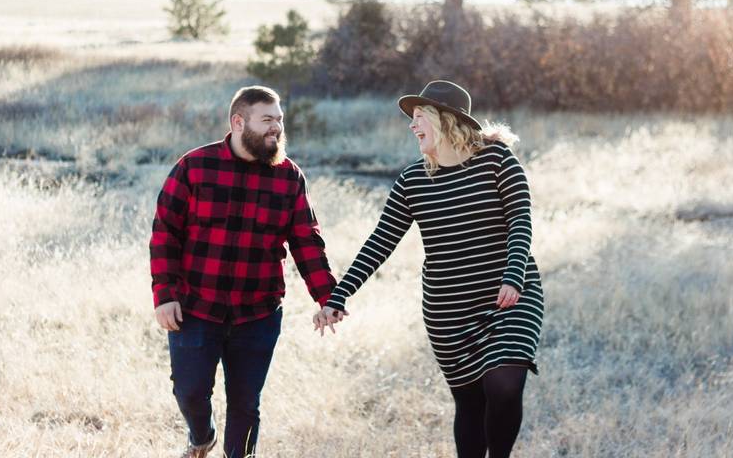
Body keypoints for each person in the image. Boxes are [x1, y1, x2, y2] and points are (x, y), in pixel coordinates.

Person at [318, 80, 544, 458]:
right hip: (448, 310)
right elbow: (380, 242)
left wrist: (514, 274)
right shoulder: (413, 180)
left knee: (504, 387)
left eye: (419, 116)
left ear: (447, 120)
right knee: (470, 404)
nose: (412, 125)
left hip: (509, 295)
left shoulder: (497, 161)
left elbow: (521, 220)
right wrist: (338, 295)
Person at [150, 85, 339, 458]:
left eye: (280, 121)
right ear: (238, 122)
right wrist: (165, 295)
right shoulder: (195, 167)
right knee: (188, 390)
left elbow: (306, 241)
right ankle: (201, 436)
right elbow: (164, 234)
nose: (277, 129)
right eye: (267, 120)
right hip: (196, 308)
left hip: (259, 312)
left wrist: (328, 297)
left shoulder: (289, 177)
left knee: (245, 403)